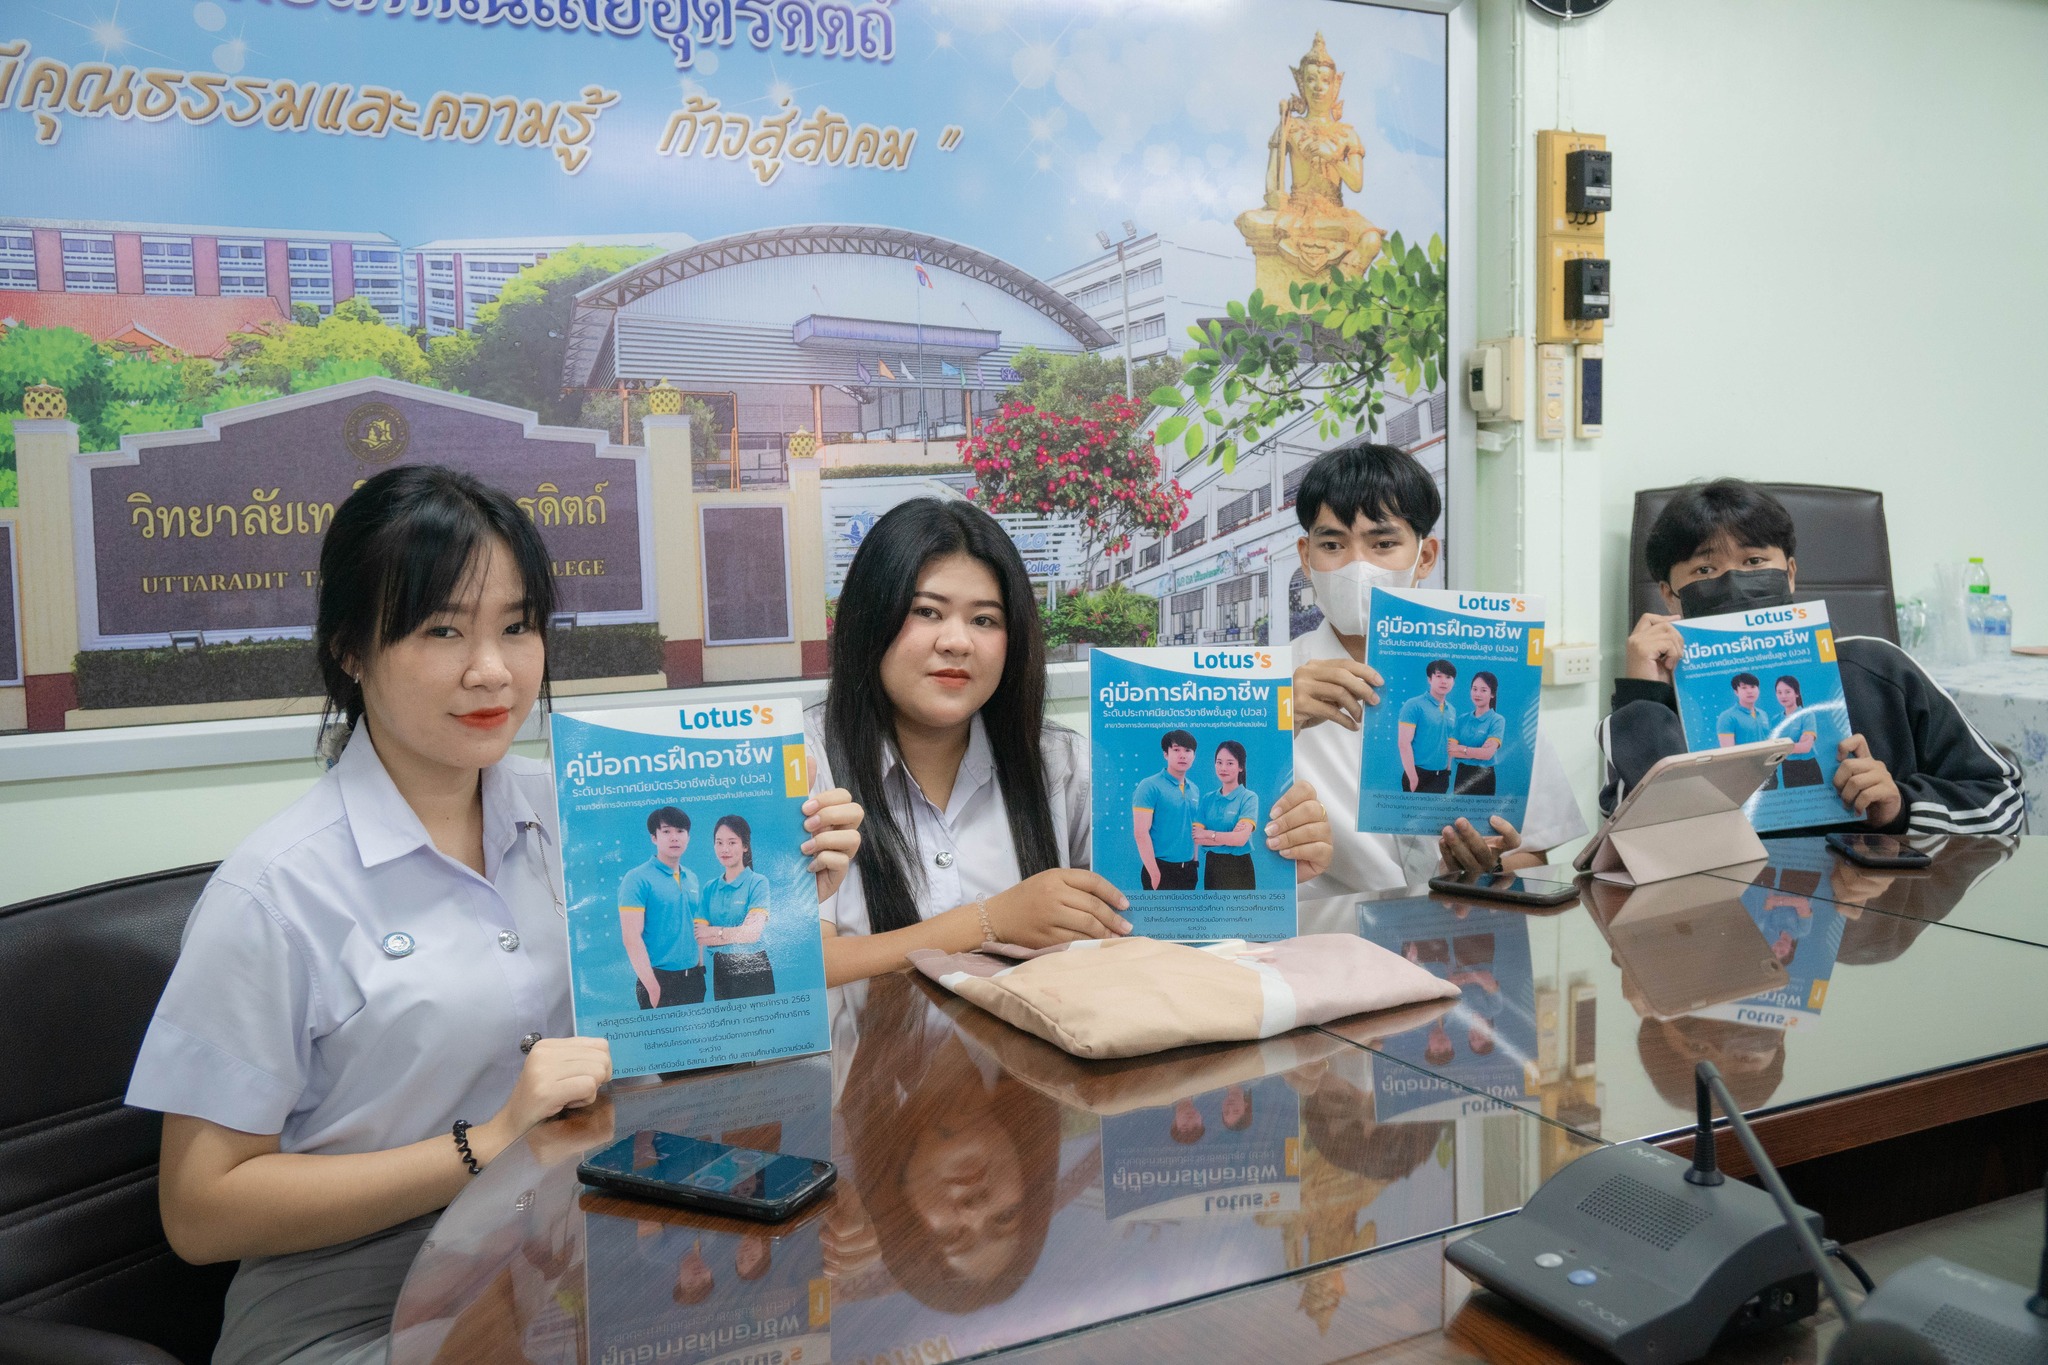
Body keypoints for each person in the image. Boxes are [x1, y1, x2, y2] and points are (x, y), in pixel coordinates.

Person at [124, 465, 863, 1365]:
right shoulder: (277, 890)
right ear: (351, 650)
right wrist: (487, 1143)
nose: (492, 669)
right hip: (357, 1307)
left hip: (578, 1265)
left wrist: (790, 904)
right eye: (442, 629)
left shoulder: (578, 820)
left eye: (516, 626)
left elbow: (679, 1048)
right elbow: (200, 1211)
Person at [808, 498, 1333, 986]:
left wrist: (1277, 866)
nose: (957, 641)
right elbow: (798, 973)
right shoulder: (808, 765)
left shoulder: (1061, 763)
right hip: (867, 1082)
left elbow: (1152, 928)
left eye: (985, 619)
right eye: (927, 611)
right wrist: (991, 922)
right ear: (870, 617)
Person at [1604, 478, 2024, 837]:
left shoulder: (1878, 667)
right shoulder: (1655, 700)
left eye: (1753, 561)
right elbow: (1628, 839)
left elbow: (2003, 800)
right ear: (1667, 594)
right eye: (1704, 571)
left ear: (1789, 573)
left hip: (1874, 912)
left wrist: (1900, 807)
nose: (1733, 581)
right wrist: (1643, 695)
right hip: (1720, 914)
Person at [1287, 439, 1587, 895]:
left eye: (1383, 543)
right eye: (1332, 544)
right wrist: (1274, 721)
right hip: (1328, 943)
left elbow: (1533, 849)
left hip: (1458, 937)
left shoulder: (1486, 675)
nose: (1356, 565)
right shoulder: (1273, 689)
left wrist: (1483, 867)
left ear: (1425, 556)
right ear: (1306, 557)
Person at [618, 807, 705, 1010]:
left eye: (680, 831)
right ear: (654, 838)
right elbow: (631, 937)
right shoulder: (637, 878)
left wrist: (700, 966)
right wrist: (654, 989)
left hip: (693, 979)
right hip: (659, 981)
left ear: (688, 837)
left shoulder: (691, 877)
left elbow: (696, 922)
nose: (674, 837)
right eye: (666, 831)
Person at [695, 814, 776, 999]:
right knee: (728, 1026)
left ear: (745, 846)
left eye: (732, 842)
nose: (725, 849)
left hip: (754, 967)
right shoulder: (710, 888)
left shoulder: (757, 882)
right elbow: (699, 935)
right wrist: (734, 933)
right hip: (721, 968)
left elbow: (751, 934)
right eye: (719, 842)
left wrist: (714, 933)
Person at [1134, 730, 1202, 890]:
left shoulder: (1194, 789)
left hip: (1188, 870)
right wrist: (1155, 873)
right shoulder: (1149, 786)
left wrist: (1195, 861)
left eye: (1188, 751)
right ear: (1166, 754)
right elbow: (1140, 832)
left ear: (1194, 756)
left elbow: (1194, 826)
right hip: (1160, 869)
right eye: (1176, 750)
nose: (1183, 755)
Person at [1194, 739, 1260, 889]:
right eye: (1219, 762)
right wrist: (1229, 837)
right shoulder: (1207, 799)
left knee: (1242, 912)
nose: (1223, 768)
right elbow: (1197, 837)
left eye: (1230, 763)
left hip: (1239, 868)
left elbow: (1240, 839)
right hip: (1212, 867)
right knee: (1213, 912)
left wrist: (1208, 834)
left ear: (1241, 767)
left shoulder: (1249, 798)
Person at [1398, 660, 1459, 793]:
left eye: (1448, 677)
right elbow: (1404, 743)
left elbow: (1449, 740)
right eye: (1439, 676)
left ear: (1453, 682)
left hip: (1441, 776)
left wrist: (1448, 769)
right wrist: (1413, 779)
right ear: (1429, 679)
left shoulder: (1452, 710)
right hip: (1418, 775)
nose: (1444, 681)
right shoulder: (1414, 705)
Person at [1449, 671, 1504, 796]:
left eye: (1483, 690)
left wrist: (1461, 749)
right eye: (1474, 689)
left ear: (1492, 694)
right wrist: (1477, 752)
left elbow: (1487, 754)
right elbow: (1451, 750)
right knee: (1460, 813)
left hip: (1484, 776)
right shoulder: (1462, 719)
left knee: (1482, 815)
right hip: (1462, 775)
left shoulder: (1497, 720)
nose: (1477, 694)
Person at [1773, 675, 1823, 788]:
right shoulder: (1775, 719)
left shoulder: (1806, 715)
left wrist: (1779, 748)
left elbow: (1805, 747)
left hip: (1808, 767)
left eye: (1787, 692)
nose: (1783, 696)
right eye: (1779, 692)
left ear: (1797, 693)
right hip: (1787, 768)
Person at [1715, 673, 1775, 747]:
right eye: (1744, 688)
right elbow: (1728, 751)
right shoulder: (1727, 717)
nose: (1749, 691)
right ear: (1736, 692)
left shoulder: (1763, 714)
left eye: (1753, 687)